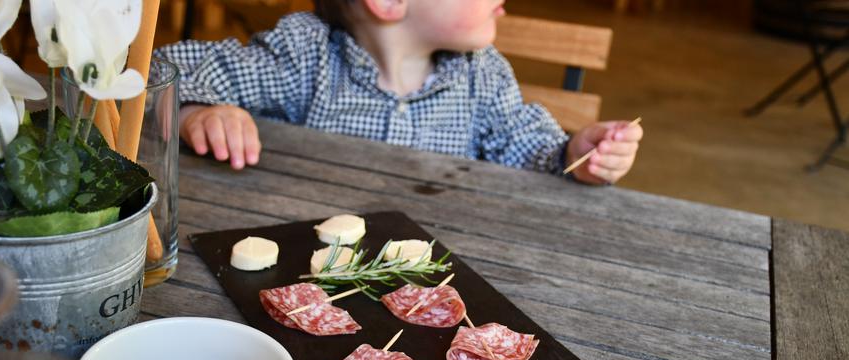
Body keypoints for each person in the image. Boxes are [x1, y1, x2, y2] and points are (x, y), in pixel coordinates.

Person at [155, 0, 643, 184]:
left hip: (442, 281)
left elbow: (527, 149)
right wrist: (198, 111)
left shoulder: (482, 74)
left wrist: (573, 154)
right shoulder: (307, 56)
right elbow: (163, 67)